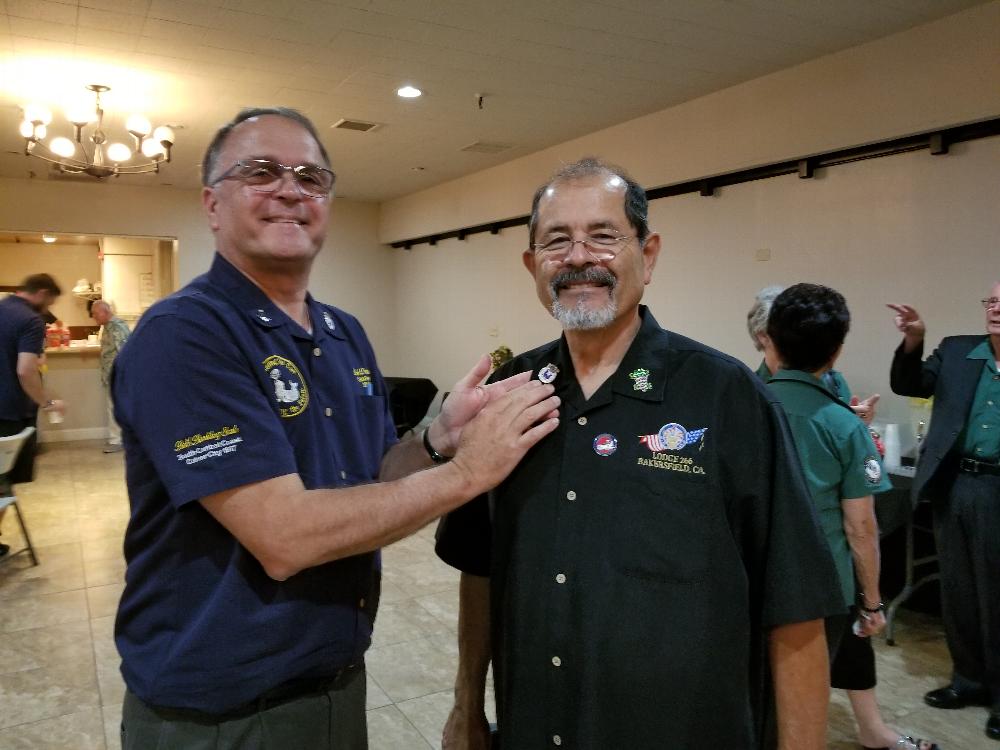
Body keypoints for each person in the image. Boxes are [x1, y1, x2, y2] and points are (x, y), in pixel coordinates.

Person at [111, 107, 560, 750]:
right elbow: (284, 537)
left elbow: (374, 477)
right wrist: (468, 474)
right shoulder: (185, 335)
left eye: (310, 177)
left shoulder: (342, 333)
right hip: (221, 713)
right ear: (212, 204)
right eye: (260, 172)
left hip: (334, 685)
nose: (290, 189)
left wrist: (438, 442)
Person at [435, 158, 845, 749]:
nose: (579, 257)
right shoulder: (508, 394)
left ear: (647, 256)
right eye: (557, 241)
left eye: (603, 236)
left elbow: (797, 602)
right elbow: (479, 566)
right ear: (532, 265)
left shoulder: (727, 397)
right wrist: (466, 704)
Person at [767, 284, 938, 750]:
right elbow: (861, 527)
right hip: (822, 586)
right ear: (837, 349)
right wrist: (873, 602)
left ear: (771, 340)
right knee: (804, 706)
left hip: (753, 575)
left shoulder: (744, 405)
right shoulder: (843, 424)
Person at [888, 284, 1000, 742]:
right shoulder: (957, 351)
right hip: (956, 485)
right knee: (959, 589)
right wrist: (913, 339)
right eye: (991, 301)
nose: (996, 309)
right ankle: (967, 681)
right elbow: (909, 384)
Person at [0, 273, 66, 557]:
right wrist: (48, 402)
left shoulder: (3, 308)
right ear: (41, 293)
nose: (48, 308)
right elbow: (25, 371)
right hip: (9, 412)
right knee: (3, 480)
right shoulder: (30, 320)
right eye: (49, 302)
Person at [748, 284, 880, 424]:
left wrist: (855, 421)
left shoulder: (834, 382)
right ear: (763, 336)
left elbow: (842, 427)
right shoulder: (750, 389)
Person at [90, 300, 130, 453]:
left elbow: (124, 352)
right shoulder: (108, 327)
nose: (93, 317)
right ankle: (118, 439)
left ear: (105, 312)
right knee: (113, 407)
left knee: (115, 407)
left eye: (95, 313)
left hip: (117, 376)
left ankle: (117, 440)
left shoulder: (117, 327)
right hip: (111, 375)